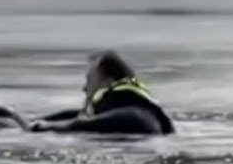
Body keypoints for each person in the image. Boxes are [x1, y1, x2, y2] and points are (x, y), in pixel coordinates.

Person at [29, 49, 175, 135]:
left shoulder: (131, 113)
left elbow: (80, 123)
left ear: (108, 83)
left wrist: (47, 127)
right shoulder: (147, 110)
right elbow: (77, 115)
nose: (84, 88)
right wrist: (39, 121)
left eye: (89, 81)